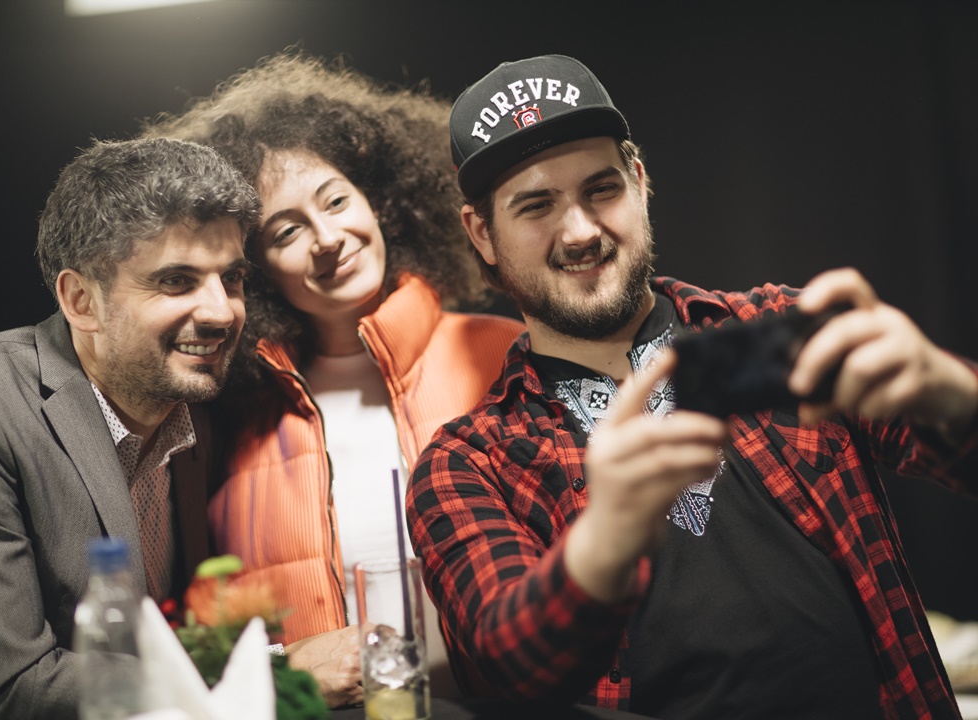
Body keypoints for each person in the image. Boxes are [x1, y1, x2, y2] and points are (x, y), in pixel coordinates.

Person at [406, 54, 978, 719]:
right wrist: (606, 538)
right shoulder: (468, 464)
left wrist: (950, 393)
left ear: (639, 182)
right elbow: (510, 663)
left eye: (601, 189)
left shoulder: (779, 329)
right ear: (482, 234)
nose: (581, 231)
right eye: (537, 205)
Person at [141, 51, 525, 708]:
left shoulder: (501, 352)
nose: (327, 238)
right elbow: (203, 633)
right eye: (286, 230)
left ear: (381, 203)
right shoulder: (228, 413)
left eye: (337, 200)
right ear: (256, 270)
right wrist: (285, 670)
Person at [0, 137, 260, 720]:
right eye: (176, 281)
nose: (222, 312)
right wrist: (272, 673)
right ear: (81, 300)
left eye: (233, 277)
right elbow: (19, 688)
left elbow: (160, 641)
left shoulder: (196, 401)